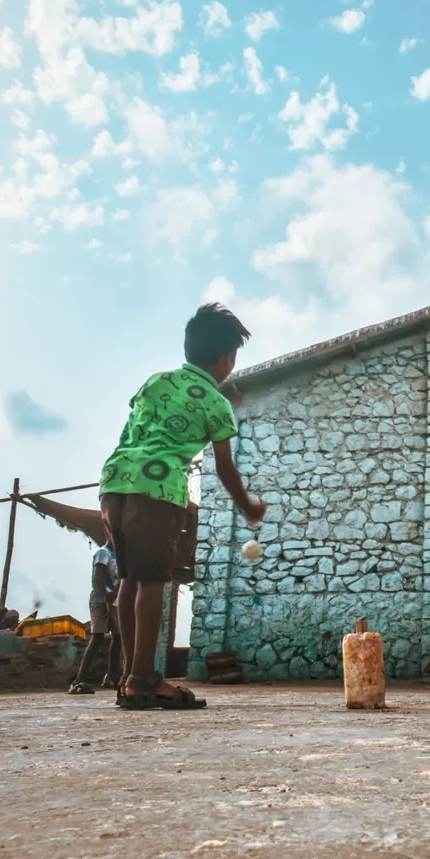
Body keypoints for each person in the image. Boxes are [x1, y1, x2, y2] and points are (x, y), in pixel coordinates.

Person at [99, 302, 266, 710]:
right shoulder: (216, 403)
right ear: (228, 359)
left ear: (189, 346)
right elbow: (225, 468)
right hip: (157, 489)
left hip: (114, 482)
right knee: (153, 580)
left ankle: (127, 676)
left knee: (130, 581)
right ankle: (143, 681)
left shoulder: (155, 381)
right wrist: (247, 506)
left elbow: (131, 431)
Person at [68, 544, 121, 695]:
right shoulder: (102, 553)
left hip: (115, 601)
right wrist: (106, 596)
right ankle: (78, 680)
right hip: (100, 600)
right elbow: (98, 578)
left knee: (118, 638)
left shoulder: (117, 554)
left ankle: (111, 676)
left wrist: (115, 596)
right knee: (97, 637)